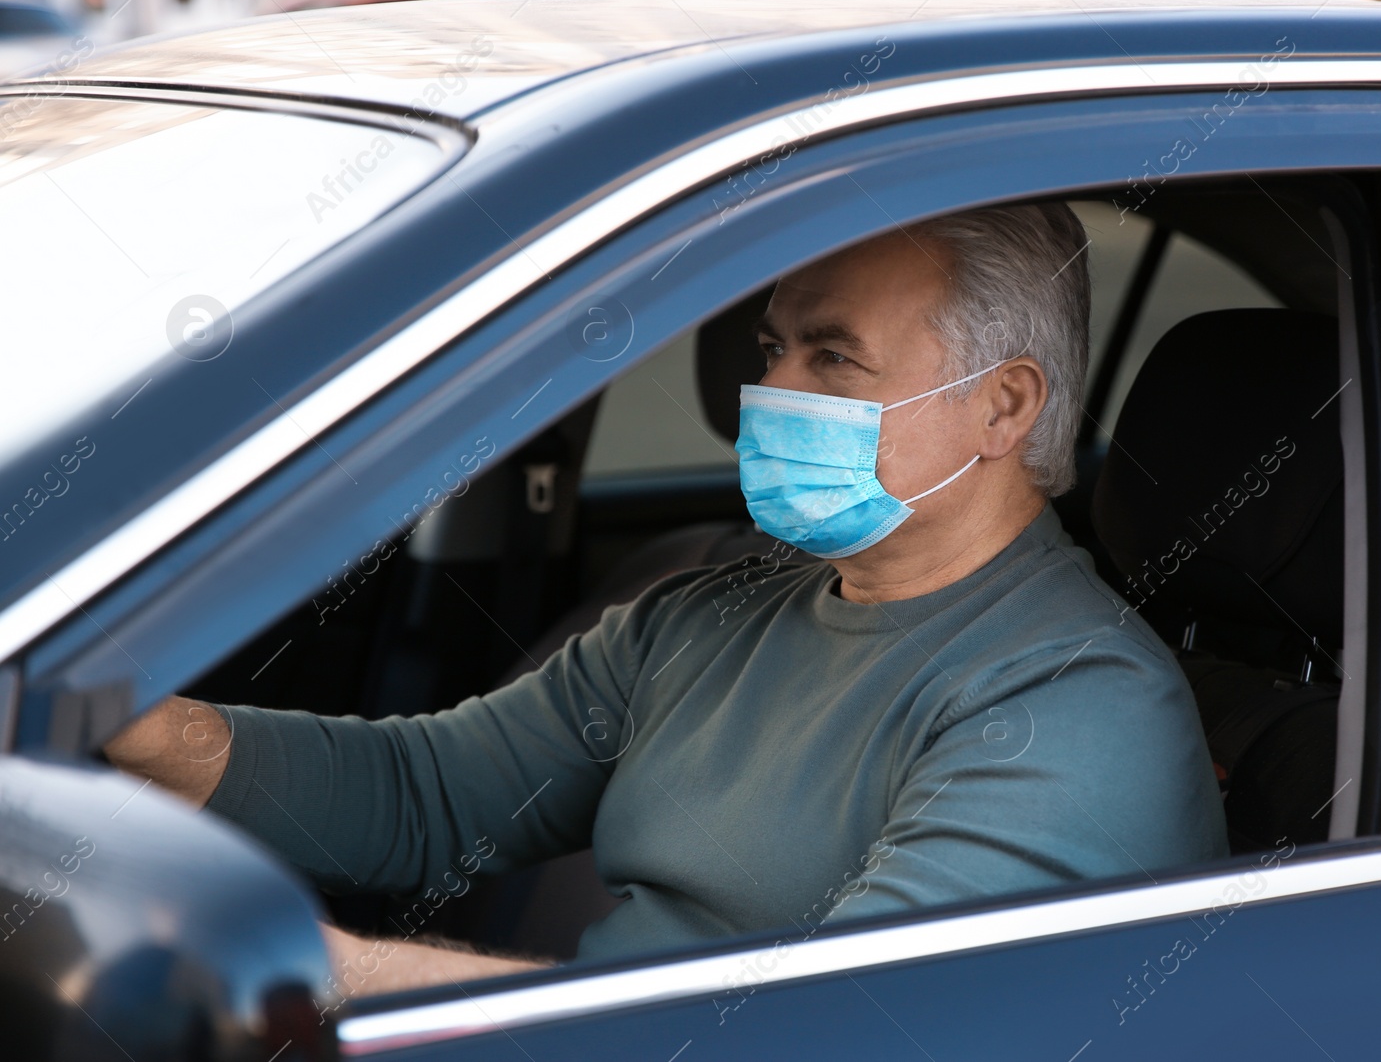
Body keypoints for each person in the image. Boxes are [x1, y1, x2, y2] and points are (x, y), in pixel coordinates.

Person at [107, 201, 1228, 994]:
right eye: (772, 346)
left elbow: (815, 1032)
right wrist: (133, 724)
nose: (764, 391)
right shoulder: (720, 606)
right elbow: (430, 794)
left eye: (831, 358)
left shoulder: (1075, 709)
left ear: (1003, 408)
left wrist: (324, 972)